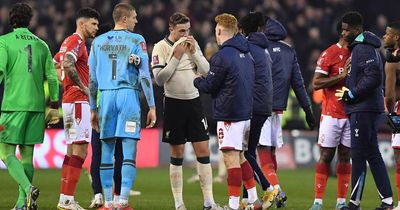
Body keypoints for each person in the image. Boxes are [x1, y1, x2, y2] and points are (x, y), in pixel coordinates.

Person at [88, 3, 156, 210]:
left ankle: (108, 203)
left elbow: (92, 80)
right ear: (124, 19)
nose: (136, 20)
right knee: (128, 151)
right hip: (128, 97)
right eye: (134, 17)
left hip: (106, 98)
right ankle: (123, 202)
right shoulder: (137, 40)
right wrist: (152, 105)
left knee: (106, 152)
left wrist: (93, 108)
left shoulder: (98, 42)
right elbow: (144, 75)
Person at [151, 12, 221, 210]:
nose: (186, 34)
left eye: (188, 30)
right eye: (182, 30)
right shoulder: (161, 47)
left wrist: (196, 53)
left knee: (203, 150)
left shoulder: (192, 44)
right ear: (171, 30)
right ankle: (179, 203)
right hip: (173, 104)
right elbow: (159, 79)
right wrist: (176, 57)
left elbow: (207, 72)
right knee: (178, 153)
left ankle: (209, 202)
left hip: (194, 103)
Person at [194, 13, 262, 210]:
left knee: (230, 158)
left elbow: (210, 85)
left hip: (230, 114)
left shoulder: (222, 56)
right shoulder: (246, 53)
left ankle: (233, 205)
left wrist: (196, 79)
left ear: (219, 31)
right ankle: (254, 199)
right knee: (240, 156)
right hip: (245, 113)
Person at [0, 3, 60, 210]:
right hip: (37, 107)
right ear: (30, 20)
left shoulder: (4, 42)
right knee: (27, 155)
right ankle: (21, 204)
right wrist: (53, 105)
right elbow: (52, 77)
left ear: (11, 20)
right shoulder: (41, 44)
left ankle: (28, 188)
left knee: (5, 152)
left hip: (13, 106)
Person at [335, 11, 394, 210]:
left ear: (357, 29)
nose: (343, 33)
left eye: (346, 29)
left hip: (364, 109)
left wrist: (352, 94)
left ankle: (354, 203)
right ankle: (387, 201)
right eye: (342, 30)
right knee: (372, 153)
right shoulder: (361, 48)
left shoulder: (363, 49)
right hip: (365, 108)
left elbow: (374, 76)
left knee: (359, 155)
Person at [258, 17, 316, 208]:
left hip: (260, 107)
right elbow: (298, 84)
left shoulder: (259, 47)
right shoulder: (289, 51)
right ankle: (272, 194)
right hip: (278, 110)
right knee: (271, 150)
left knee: (260, 150)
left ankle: (275, 189)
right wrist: (308, 110)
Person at [53, 7, 99, 210]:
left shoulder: (66, 42)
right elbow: (68, 64)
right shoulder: (77, 41)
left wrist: (65, 84)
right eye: (94, 24)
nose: (96, 28)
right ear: (82, 23)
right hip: (78, 101)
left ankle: (65, 198)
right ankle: (68, 199)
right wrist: (83, 88)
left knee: (72, 150)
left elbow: (56, 64)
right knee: (80, 151)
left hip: (69, 101)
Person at [309, 21, 351, 210]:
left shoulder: (358, 54)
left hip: (350, 114)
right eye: (354, 30)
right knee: (326, 155)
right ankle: (318, 202)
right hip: (331, 113)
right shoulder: (330, 54)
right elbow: (317, 83)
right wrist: (340, 78)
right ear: (344, 32)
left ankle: (341, 202)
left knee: (345, 156)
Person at [238, 12, 275, 209]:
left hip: (253, 105)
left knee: (244, 153)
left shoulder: (247, 48)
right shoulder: (263, 47)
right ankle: (246, 199)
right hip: (264, 105)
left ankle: (269, 188)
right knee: (249, 151)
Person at [87, 23, 123, 209]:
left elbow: (92, 82)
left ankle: (99, 195)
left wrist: (93, 108)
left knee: (98, 154)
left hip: (101, 106)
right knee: (120, 154)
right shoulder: (122, 50)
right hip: (121, 106)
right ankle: (117, 198)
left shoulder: (96, 52)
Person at [382, 21, 400, 210]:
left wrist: (392, 113)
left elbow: (389, 95)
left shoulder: (391, 63)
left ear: (396, 38)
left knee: (399, 159)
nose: (384, 36)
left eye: (387, 34)